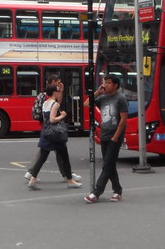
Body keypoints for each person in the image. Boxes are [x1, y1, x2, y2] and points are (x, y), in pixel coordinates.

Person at [24, 74, 81, 185]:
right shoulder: (47, 98)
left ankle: (33, 175)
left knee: (47, 153)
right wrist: (62, 116)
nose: (59, 85)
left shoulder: (47, 100)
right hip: (53, 130)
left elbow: (56, 104)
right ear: (53, 83)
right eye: (58, 83)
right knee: (59, 154)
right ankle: (68, 177)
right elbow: (54, 114)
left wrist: (61, 91)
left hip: (47, 129)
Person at [84, 75, 128, 204]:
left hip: (115, 136)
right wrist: (97, 92)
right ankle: (118, 190)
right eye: (105, 83)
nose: (106, 85)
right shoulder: (103, 98)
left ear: (115, 85)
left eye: (108, 83)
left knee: (107, 165)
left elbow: (123, 120)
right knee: (110, 165)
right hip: (104, 135)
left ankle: (96, 193)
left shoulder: (121, 99)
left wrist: (116, 137)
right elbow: (86, 104)